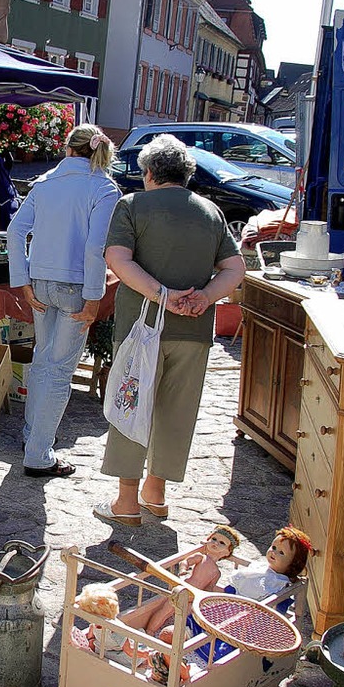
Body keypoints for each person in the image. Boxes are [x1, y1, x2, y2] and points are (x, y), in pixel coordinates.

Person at [93, 134, 245, 526]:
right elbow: (235, 269)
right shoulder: (211, 211)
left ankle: (126, 501)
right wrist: (203, 297)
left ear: (148, 173)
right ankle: (155, 493)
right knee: (178, 412)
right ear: (187, 173)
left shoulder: (132, 205)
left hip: (141, 326)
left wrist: (162, 294)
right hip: (193, 330)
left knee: (132, 404)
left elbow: (118, 260)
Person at [7, 123, 121, 478]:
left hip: (41, 280)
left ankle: (33, 439)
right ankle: (39, 453)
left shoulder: (45, 183)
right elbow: (94, 247)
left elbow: (15, 231)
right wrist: (94, 297)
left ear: (68, 149)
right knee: (57, 370)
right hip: (74, 285)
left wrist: (22, 279)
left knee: (44, 363)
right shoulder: (103, 188)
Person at [118, 524, 241, 649]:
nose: (216, 543)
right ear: (207, 540)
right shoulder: (201, 557)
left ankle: (172, 639)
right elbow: (185, 562)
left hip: (193, 598)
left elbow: (210, 587)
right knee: (165, 611)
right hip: (182, 590)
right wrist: (183, 571)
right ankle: (150, 632)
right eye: (214, 539)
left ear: (227, 552)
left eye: (222, 543)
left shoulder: (217, 572)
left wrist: (205, 597)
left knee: (184, 618)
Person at [228, 525, 312, 600]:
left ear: (293, 563)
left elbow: (273, 604)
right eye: (274, 547)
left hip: (248, 607)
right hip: (237, 596)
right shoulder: (263, 567)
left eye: (281, 552)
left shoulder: (276, 583)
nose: (273, 552)